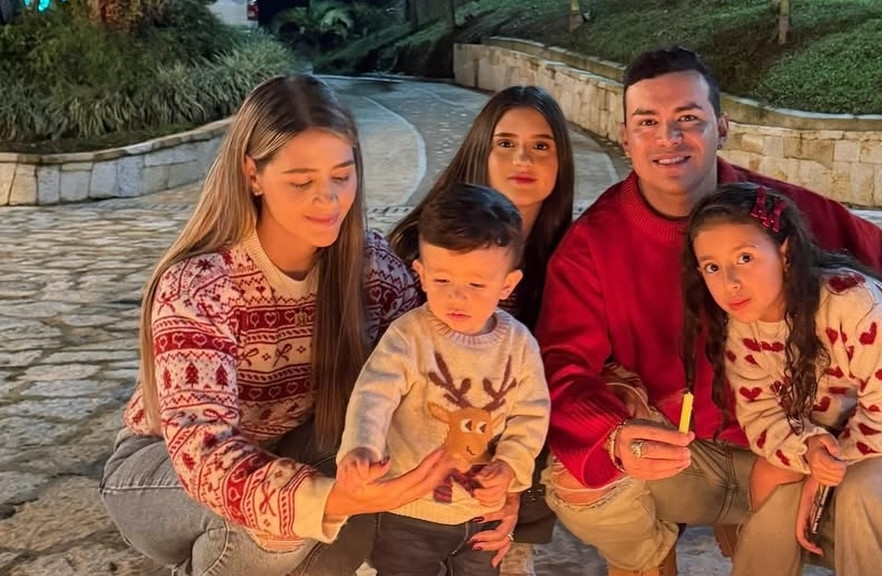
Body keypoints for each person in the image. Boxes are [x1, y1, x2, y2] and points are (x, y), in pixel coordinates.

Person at [535, 46, 882, 576]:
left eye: (688, 118)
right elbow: (560, 364)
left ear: (722, 126)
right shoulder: (593, 245)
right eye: (647, 122)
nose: (668, 138)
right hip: (692, 456)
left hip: (811, 445)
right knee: (581, 484)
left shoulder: (781, 215)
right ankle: (649, 562)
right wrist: (614, 434)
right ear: (625, 135)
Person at [99, 74, 457, 576]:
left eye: (342, 175)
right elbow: (202, 449)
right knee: (266, 527)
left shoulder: (371, 267)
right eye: (301, 181)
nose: (328, 199)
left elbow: (435, 374)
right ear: (253, 175)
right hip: (162, 466)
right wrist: (327, 499)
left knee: (367, 480)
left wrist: (493, 475)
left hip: (294, 443)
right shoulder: (201, 285)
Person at [682, 183, 882, 575]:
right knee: (773, 479)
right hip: (844, 424)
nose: (730, 282)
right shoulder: (744, 325)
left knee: (863, 492)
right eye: (712, 267)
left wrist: (824, 474)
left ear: (785, 252)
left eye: (745, 258)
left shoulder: (854, 304)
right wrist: (809, 448)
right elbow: (759, 412)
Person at [388, 85, 575, 574]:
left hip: (515, 447)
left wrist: (510, 479)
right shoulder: (423, 245)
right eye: (505, 143)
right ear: (481, 151)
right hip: (421, 450)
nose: (523, 159)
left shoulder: (571, 256)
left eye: (541, 146)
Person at [339, 183, 551, 576]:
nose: (458, 297)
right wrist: (361, 447)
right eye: (442, 281)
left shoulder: (520, 345)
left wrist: (509, 467)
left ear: (507, 284)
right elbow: (373, 397)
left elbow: (531, 416)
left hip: (481, 511)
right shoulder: (408, 336)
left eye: (476, 284)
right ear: (420, 273)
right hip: (407, 511)